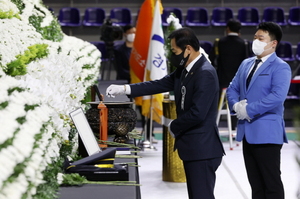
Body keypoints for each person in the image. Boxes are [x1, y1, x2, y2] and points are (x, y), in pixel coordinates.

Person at [106, 27, 225, 199]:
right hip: (194, 148)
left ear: (188, 49)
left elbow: (198, 113)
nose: (173, 55)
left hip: (203, 149)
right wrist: (125, 89)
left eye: (175, 51)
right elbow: (158, 84)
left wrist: (173, 124)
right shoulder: (185, 68)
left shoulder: (205, 73)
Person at [226, 22, 291, 199]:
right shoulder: (246, 63)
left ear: (273, 43)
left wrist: (248, 110)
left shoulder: (280, 66)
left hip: (267, 133)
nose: (256, 41)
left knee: (271, 184)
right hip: (247, 132)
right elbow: (232, 88)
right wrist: (235, 106)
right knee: (255, 184)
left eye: (261, 38)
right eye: (255, 37)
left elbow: (277, 96)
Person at [209, 19, 249, 130]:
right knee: (237, 103)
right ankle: (235, 127)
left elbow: (212, 60)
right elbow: (246, 62)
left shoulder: (219, 42)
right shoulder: (244, 43)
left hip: (221, 80)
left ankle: (213, 126)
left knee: (216, 103)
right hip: (237, 81)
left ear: (227, 29)